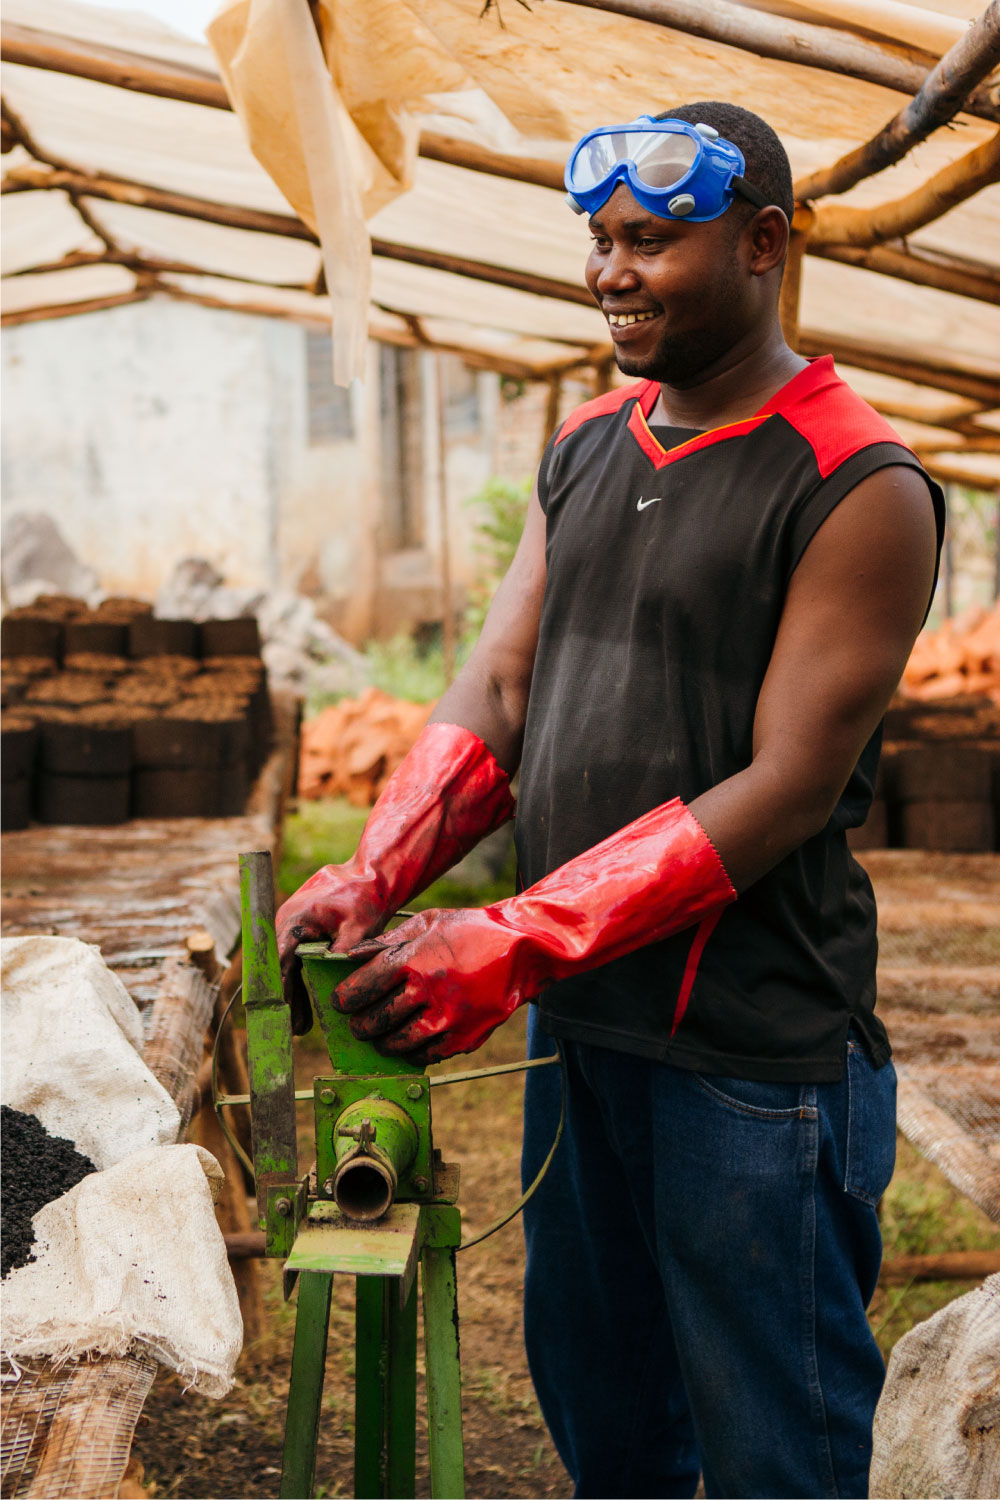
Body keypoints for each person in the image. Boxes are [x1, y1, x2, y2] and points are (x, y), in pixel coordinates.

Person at [277, 101, 944, 1499]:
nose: (611, 271)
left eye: (653, 240)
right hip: (590, 1045)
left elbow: (781, 791)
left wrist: (512, 941)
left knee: (780, 1453)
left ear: (763, 244)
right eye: (600, 240)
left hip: (754, 1072)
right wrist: (382, 868)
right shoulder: (589, 445)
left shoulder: (857, 481)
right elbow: (499, 689)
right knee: (612, 1431)